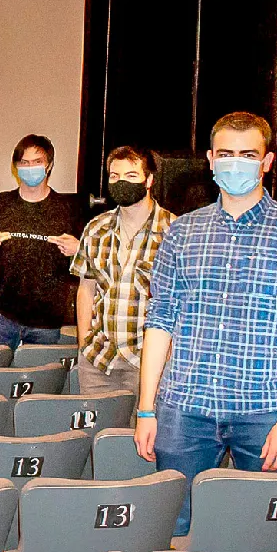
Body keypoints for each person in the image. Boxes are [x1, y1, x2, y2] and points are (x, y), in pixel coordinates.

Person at [136, 112, 277, 535]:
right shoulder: (181, 233)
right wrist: (147, 409)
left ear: (267, 162)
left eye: (248, 155)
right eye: (226, 154)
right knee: (174, 529)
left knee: (265, 535)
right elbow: (160, 321)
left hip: (267, 412)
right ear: (210, 160)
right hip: (185, 409)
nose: (235, 163)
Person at [69, 146, 174, 397]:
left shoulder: (175, 231)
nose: (121, 182)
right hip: (99, 360)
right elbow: (86, 289)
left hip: (151, 362)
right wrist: (84, 343)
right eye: (115, 176)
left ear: (149, 180)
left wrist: (170, 356)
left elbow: (186, 302)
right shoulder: (96, 228)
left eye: (131, 175)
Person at [0, 135, 85, 350]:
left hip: (47, 320)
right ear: (16, 167)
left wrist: (79, 250)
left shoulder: (68, 208)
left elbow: (91, 259)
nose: (30, 168)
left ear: (49, 165)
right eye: (24, 163)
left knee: (42, 372)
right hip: (2, 315)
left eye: (37, 162)